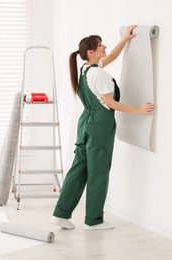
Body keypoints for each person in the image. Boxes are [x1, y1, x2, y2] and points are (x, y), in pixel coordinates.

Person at [50, 25, 155, 230]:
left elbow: (112, 55)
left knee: (79, 168)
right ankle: (93, 220)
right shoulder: (100, 75)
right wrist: (138, 109)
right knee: (98, 171)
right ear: (91, 52)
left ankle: (60, 214)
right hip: (99, 125)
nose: (104, 46)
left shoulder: (85, 69)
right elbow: (112, 104)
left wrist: (126, 38)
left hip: (86, 123)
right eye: (100, 45)